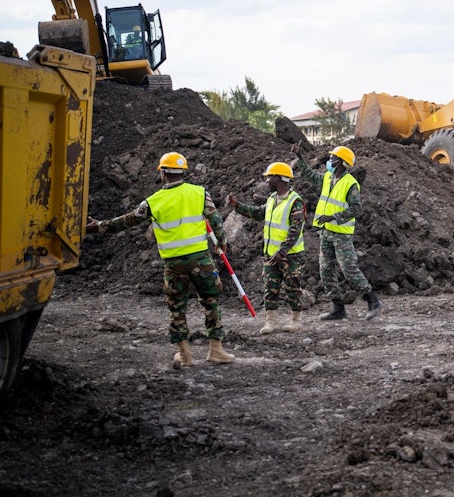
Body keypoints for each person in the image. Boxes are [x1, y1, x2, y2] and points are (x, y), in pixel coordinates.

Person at [85, 152, 235, 367]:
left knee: (177, 307)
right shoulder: (200, 193)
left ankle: (185, 355)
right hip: (201, 260)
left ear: (163, 173)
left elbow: (127, 221)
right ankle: (216, 350)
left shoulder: (153, 201)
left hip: (174, 264)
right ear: (183, 172)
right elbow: (216, 220)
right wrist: (222, 243)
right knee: (210, 302)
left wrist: (99, 226)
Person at [291, 142, 383, 321]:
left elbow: (356, 209)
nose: (329, 160)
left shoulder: (351, 184)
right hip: (326, 232)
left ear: (340, 162)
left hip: (341, 234)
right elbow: (310, 175)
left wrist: (333, 217)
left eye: (332, 158)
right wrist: (300, 157)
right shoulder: (328, 177)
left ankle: (373, 301)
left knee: (349, 269)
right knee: (326, 271)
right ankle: (338, 308)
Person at [226, 162, 306, 335]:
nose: (267, 181)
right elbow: (258, 213)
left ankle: (296, 321)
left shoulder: (295, 202)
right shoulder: (272, 199)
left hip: (290, 255)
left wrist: (283, 251)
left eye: (269, 177)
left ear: (278, 178)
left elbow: (295, 230)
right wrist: (238, 205)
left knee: (292, 286)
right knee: (270, 287)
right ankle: (271, 321)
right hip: (271, 254)